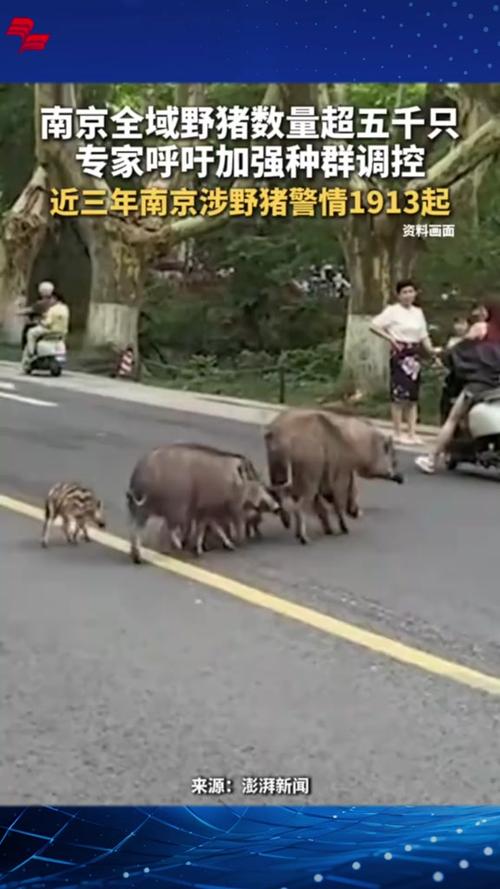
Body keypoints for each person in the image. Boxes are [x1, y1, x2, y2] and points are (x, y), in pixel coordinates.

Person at [415, 302, 500, 474]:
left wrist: (443, 354)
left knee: (452, 419)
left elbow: (459, 349)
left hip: (479, 384)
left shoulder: (482, 328)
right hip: (497, 384)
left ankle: (431, 458)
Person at [370, 279, 436, 445]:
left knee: (413, 396)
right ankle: (398, 432)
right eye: (404, 292)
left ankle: (412, 432)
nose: (408, 295)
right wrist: (390, 338)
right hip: (400, 353)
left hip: (414, 355)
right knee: (399, 395)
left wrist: (432, 351)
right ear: (398, 295)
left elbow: (423, 335)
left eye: (411, 292)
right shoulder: (393, 311)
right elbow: (374, 325)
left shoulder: (418, 312)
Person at [22, 283, 70, 369]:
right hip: (62, 332)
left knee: (31, 333)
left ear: (55, 299)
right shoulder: (65, 308)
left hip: (50, 330)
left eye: (52, 299)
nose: (51, 300)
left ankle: (31, 353)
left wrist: (40, 322)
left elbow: (48, 323)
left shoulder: (52, 309)